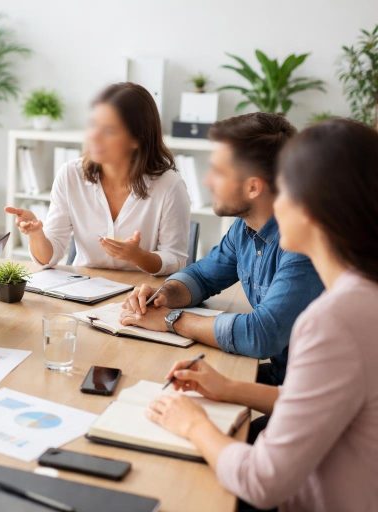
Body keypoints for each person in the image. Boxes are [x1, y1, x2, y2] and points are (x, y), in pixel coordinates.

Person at [145, 119, 378, 512]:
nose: (278, 201)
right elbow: (317, 399)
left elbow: (261, 481)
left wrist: (193, 424)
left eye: (288, 189)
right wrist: (231, 389)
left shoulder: (336, 320)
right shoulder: (360, 295)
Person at [121, 113, 323, 385]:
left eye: (218, 172)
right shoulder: (245, 228)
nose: (207, 181)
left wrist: (172, 320)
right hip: (283, 380)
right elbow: (202, 277)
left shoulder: (301, 243)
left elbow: (262, 334)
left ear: (253, 187)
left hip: (312, 396)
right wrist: (162, 296)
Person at [5, 82, 190, 275]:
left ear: (137, 139)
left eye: (109, 130)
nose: (93, 136)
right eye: (93, 125)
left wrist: (139, 256)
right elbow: (48, 258)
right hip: (81, 289)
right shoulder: (70, 175)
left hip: (139, 296)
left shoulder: (170, 185)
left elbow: (175, 259)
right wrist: (36, 234)